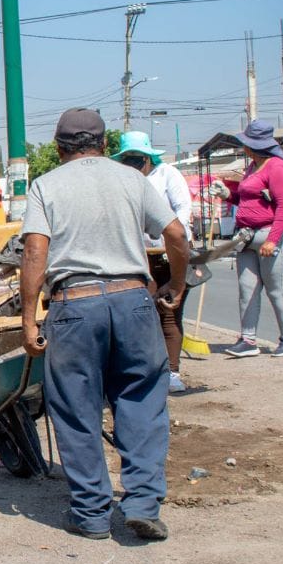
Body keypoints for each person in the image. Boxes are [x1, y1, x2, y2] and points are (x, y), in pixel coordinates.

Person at [20, 109, 189, 542]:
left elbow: (36, 252)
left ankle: (92, 514)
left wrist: (27, 319)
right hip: (133, 301)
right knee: (142, 402)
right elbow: (175, 234)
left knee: (76, 410)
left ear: (59, 147)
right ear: (103, 142)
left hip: (74, 306)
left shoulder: (46, 185)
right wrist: (177, 281)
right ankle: (143, 503)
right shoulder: (133, 180)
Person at [111, 130, 194, 393]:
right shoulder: (120, 180)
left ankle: (172, 371)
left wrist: (177, 241)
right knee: (141, 316)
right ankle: (145, 371)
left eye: (139, 159)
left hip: (167, 255)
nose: (134, 165)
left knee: (168, 315)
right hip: (137, 258)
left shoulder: (167, 175)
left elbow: (182, 210)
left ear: (149, 159)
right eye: (128, 159)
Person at [227, 120, 283, 358]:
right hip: (248, 235)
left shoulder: (277, 167)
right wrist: (228, 195)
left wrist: (272, 239)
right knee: (247, 288)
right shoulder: (252, 167)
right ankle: (248, 339)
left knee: (277, 287)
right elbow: (248, 201)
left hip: (274, 233)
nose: (243, 146)